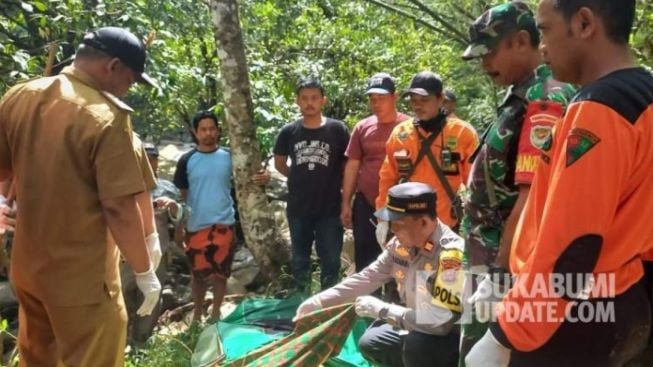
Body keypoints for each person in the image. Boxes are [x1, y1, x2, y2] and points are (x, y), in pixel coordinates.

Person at [466, 0, 653, 366]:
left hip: (572, 315)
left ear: (584, 23)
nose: (543, 46)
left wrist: (505, 335)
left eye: (546, 29)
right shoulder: (643, 92)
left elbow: (569, 247)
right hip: (626, 297)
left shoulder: (598, 109)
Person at [0, 27, 161, 366]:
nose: (127, 90)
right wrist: (144, 271)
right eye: (130, 81)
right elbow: (118, 206)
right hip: (82, 282)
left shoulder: (20, 95)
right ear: (112, 66)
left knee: (39, 360)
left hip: (29, 271)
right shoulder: (106, 118)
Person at [457, 2, 576, 362]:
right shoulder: (524, 94)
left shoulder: (544, 98)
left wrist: (498, 276)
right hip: (489, 254)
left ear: (522, 41)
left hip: (503, 260)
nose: (483, 64)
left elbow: (531, 199)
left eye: (490, 53)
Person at [295, 182, 464, 367]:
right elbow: (368, 277)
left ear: (424, 222)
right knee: (372, 342)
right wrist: (319, 301)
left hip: (449, 337)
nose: (392, 231)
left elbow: (440, 323)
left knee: (417, 346)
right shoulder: (400, 246)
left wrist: (382, 310)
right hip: (418, 325)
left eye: (399, 225)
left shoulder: (452, 256)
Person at [174, 110, 269, 323]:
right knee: (197, 275)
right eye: (203, 130)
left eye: (212, 129)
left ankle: (215, 313)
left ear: (218, 131)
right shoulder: (186, 160)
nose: (208, 133)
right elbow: (180, 197)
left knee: (221, 273)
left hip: (224, 223)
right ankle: (197, 313)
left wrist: (264, 176)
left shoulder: (230, 157)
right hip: (196, 225)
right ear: (195, 133)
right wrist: (179, 228)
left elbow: (249, 177)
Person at [377, 71, 478, 235]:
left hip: (446, 225)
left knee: (445, 262)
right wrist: (383, 216)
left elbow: (474, 183)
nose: (418, 106)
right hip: (407, 225)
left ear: (440, 99)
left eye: (424, 100)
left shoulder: (462, 133)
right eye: (414, 100)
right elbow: (387, 178)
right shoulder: (401, 133)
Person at [273, 78, 350, 291]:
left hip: (330, 208)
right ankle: (301, 301)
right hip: (299, 207)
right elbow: (279, 163)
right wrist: (297, 177)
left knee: (332, 261)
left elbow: (348, 165)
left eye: (314, 98)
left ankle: (328, 303)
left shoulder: (338, 130)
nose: (309, 103)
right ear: (298, 101)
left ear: (323, 100)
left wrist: (344, 194)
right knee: (299, 260)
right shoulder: (289, 131)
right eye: (305, 98)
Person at [340, 72, 409, 272]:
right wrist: (346, 202)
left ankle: (397, 300)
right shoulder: (363, 127)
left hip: (401, 207)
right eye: (372, 99)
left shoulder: (409, 127)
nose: (376, 103)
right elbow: (352, 165)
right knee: (366, 259)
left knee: (402, 258)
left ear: (395, 97)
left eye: (382, 98)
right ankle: (367, 301)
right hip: (366, 204)